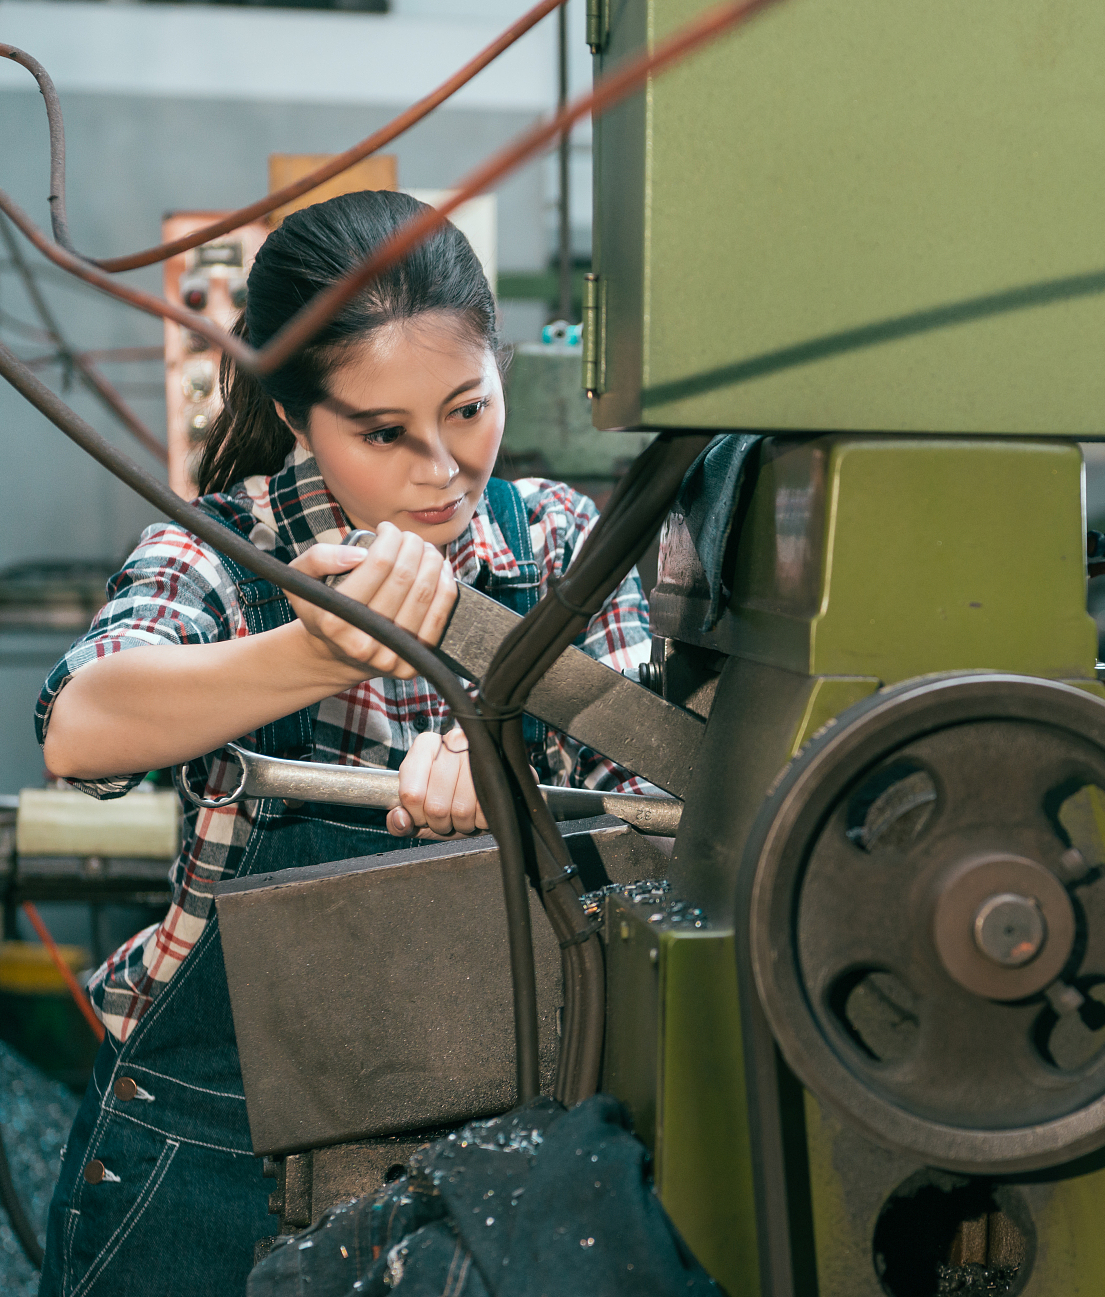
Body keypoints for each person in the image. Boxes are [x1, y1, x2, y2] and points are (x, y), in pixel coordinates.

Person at [32, 190, 653, 1296]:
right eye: (383, 433)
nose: (443, 469)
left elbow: (651, 804)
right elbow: (81, 728)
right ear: (298, 415)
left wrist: (509, 787)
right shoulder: (226, 552)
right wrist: (316, 655)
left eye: (467, 408)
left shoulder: (554, 540)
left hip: (500, 1146)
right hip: (220, 1159)